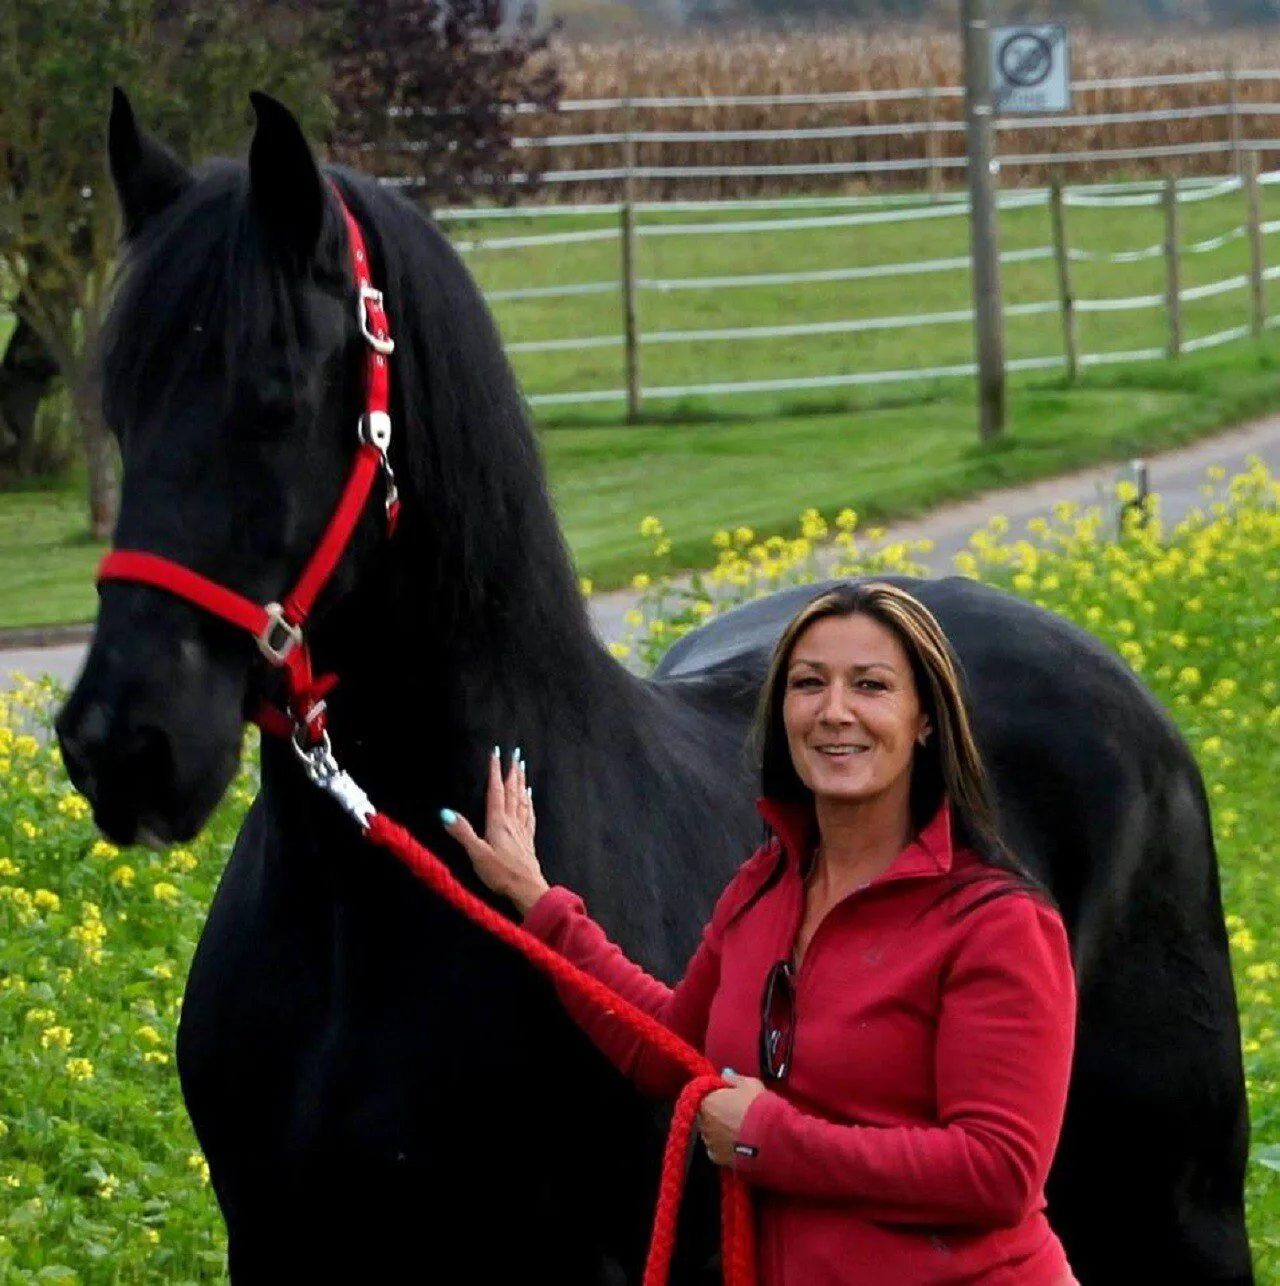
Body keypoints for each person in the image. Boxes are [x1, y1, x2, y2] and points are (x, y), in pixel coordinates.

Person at [441, 581, 1079, 1286]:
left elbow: (998, 1172)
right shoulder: (764, 889)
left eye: (870, 686)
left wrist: (764, 1140)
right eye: (809, 684)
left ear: (925, 718)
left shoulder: (997, 924)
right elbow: (667, 1044)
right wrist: (539, 902)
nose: (835, 711)